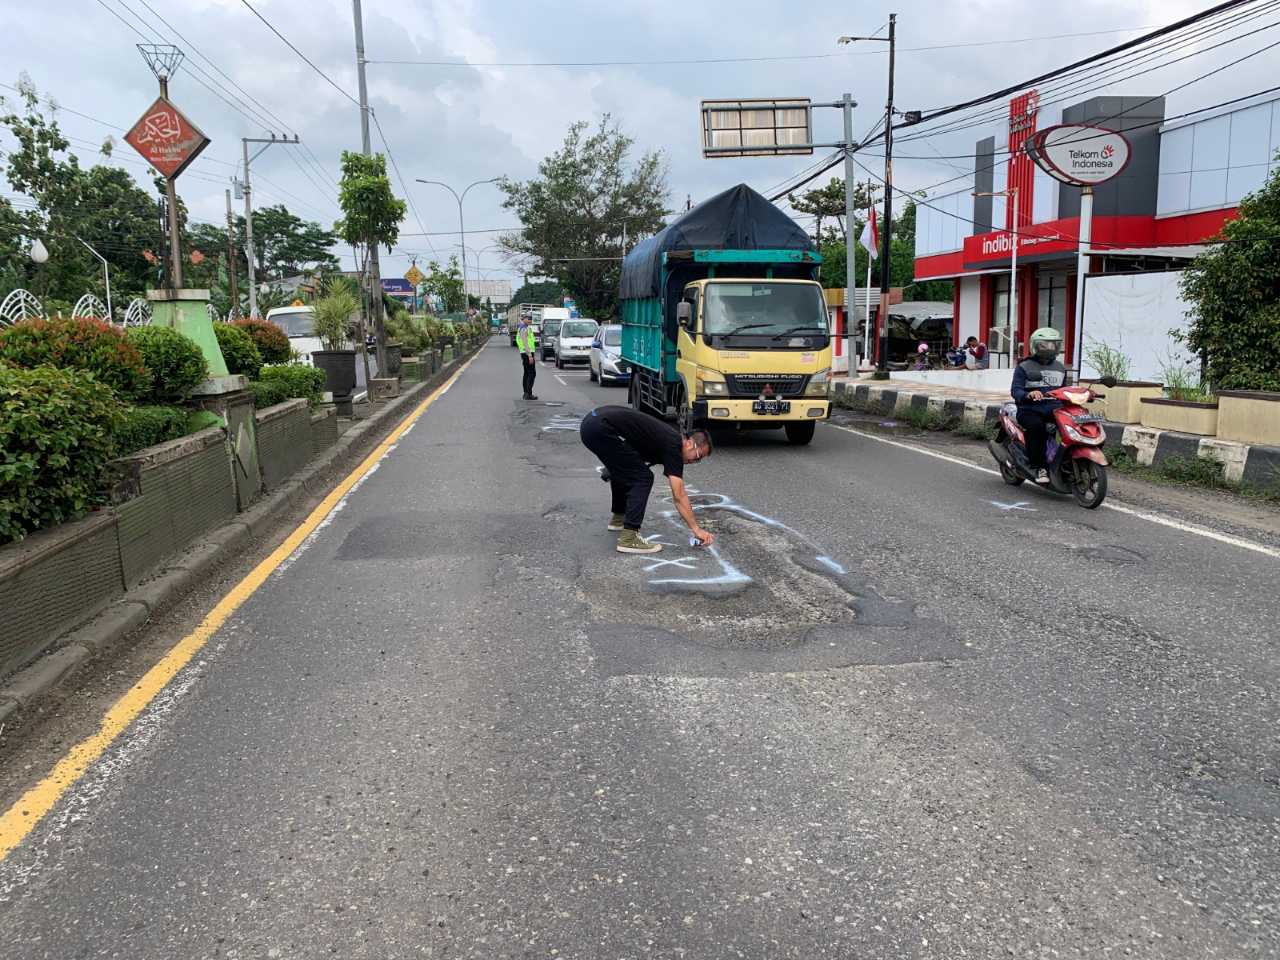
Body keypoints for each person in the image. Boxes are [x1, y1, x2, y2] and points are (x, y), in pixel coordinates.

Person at [579, 405, 714, 554]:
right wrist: (696, 529)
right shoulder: (673, 444)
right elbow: (679, 495)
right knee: (643, 478)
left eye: (699, 460)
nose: (695, 462)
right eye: (698, 456)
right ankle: (629, 538)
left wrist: (613, 467)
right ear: (689, 443)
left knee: (628, 471)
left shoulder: (663, 439)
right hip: (600, 428)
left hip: (591, 424)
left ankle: (619, 518)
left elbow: (631, 453)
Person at [1011, 327, 1069, 485]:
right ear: (1035, 346)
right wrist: (1028, 394)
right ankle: (1038, 467)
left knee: (1072, 425)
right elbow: (1015, 390)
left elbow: (1064, 390)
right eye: (1044, 345)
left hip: (1054, 409)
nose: (1049, 348)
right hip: (1029, 410)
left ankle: (1068, 461)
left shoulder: (1060, 367)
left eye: (1053, 345)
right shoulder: (1024, 366)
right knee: (1037, 428)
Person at [515, 316, 537, 399]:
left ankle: (526, 393)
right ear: (523, 319)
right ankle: (528, 393)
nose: (530, 320)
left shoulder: (525, 328)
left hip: (525, 353)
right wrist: (530, 355)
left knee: (527, 373)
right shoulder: (524, 329)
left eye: (531, 319)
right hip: (527, 353)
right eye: (528, 319)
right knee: (532, 373)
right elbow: (525, 342)